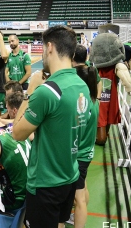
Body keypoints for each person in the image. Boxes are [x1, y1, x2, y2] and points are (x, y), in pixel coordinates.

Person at [12, 25, 93, 228]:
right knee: (60, 223)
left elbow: (17, 133)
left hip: (44, 183)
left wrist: (30, 92)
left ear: (49, 47)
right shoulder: (82, 85)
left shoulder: (47, 91)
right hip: (70, 176)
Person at [68, 64, 99, 228]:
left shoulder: (83, 105)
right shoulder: (95, 100)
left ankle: (77, 220)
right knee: (83, 187)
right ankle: (75, 216)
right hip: (87, 153)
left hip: (79, 155)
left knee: (78, 199)